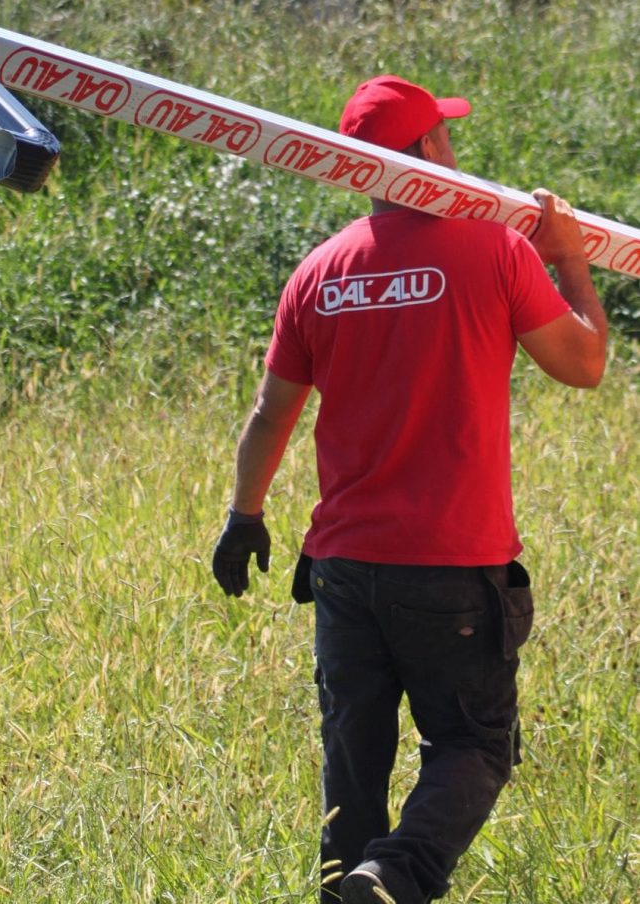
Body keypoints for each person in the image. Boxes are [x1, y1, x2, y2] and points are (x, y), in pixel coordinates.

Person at [210, 75, 608, 904]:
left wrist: (243, 515)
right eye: (444, 136)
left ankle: (351, 884)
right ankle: (393, 877)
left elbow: (268, 414)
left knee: (352, 765)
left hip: (343, 568)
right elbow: (584, 365)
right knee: (474, 745)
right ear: (428, 150)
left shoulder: (318, 272)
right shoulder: (493, 248)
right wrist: (568, 259)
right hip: (450, 566)